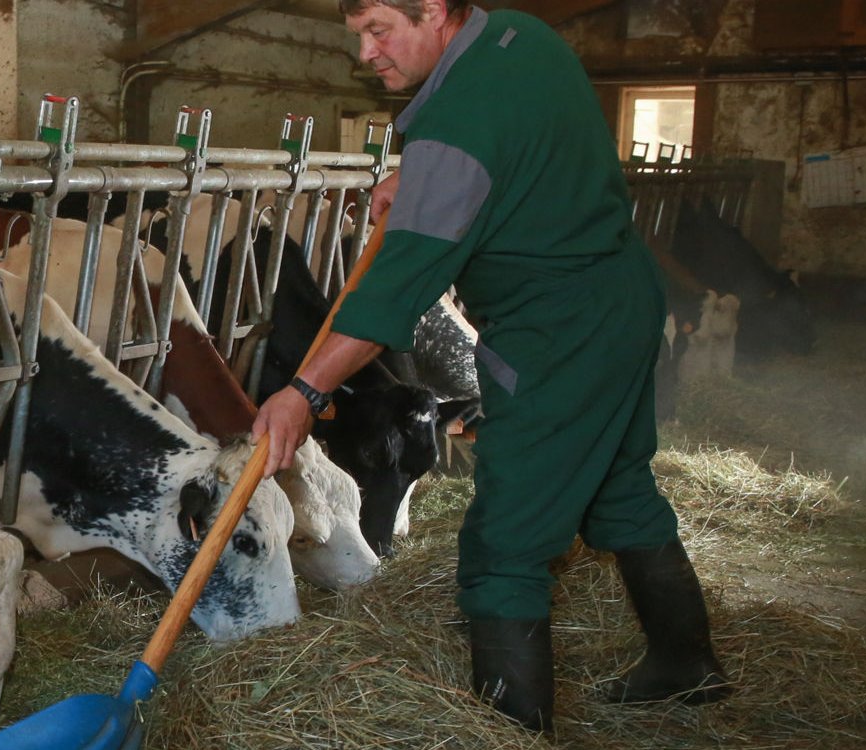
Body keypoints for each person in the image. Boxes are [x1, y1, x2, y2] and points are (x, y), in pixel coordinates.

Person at [251, 0, 734, 733]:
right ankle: (686, 664)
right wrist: (420, 176)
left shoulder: (457, 125)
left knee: (505, 545)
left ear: (436, 9)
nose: (367, 54)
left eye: (381, 30)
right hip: (620, 294)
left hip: (557, 326)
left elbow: (395, 290)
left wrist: (304, 390)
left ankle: (508, 733)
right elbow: (508, 137)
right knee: (618, 487)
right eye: (359, 35)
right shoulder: (520, 38)